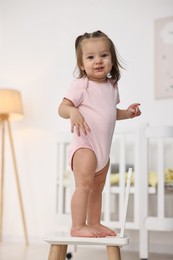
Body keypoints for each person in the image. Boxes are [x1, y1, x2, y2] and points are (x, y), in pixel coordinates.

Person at [58, 30, 141, 238]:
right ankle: (78, 225)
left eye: (104, 55)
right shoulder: (81, 85)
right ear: (81, 64)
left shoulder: (112, 86)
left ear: (112, 60)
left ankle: (94, 222)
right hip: (85, 146)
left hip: (103, 151)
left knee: (98, 187)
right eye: (91, 57)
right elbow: (62, 108)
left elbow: (109, 112)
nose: (98, 61)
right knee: (84, 186)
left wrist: (127, 114)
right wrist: (73, 111)